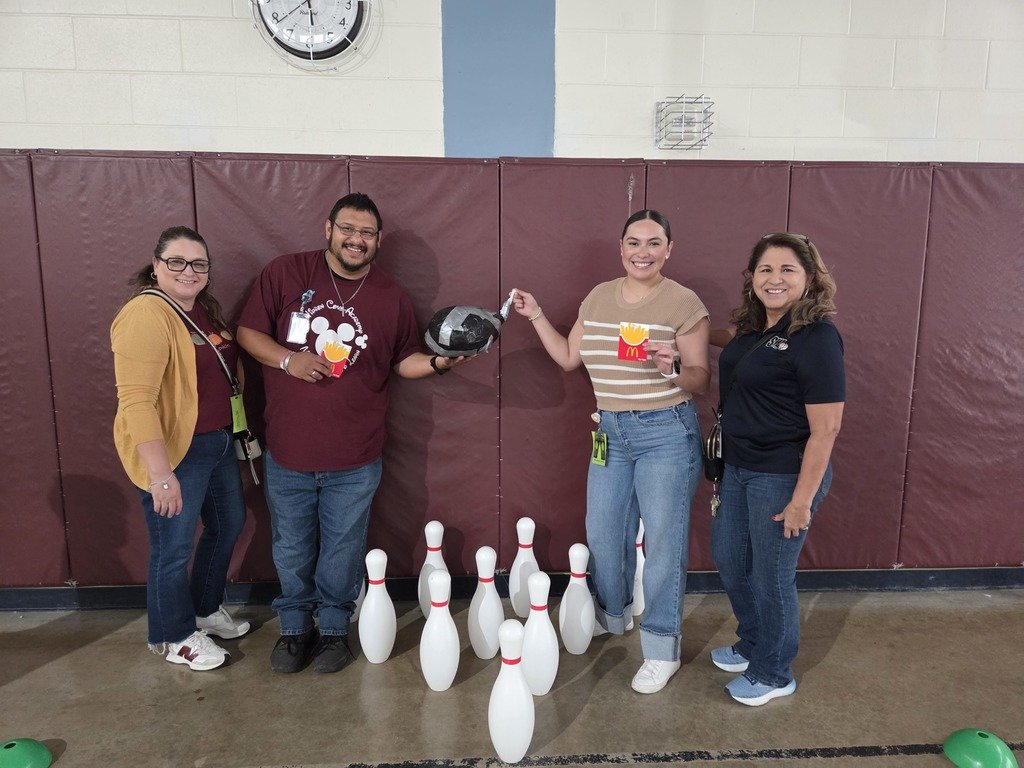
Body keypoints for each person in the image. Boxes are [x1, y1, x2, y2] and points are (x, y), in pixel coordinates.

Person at [236, 192, 470, 674]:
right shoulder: (286, 272)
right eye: (348, 228)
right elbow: (247, 333)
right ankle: (296, 629)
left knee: (343, 550)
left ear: (378, 240)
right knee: (292, 548)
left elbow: (404, 361)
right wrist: (288, 358)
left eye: (366, 233)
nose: (356, 239)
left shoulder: (391, 297)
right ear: (328, 229)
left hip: (356, 457)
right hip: (289, 451)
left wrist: (442, 363)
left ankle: (335, 631)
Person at [513, 209, 710, 694]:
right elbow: (567, 358)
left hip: (666, 430)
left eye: (653, 243)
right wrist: (536, 315)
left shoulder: (684, 303)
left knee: (663, 545)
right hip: (610, 433)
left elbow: (700, 379)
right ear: (620, 249)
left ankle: (662, 646)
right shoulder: (599, 297)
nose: (642, 252)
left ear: (669, 250)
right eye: (633, 242)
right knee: (603, 530)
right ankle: (614, 615)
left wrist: (671, 367)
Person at [708, 232, 845, 706]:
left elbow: (825, 430)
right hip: (738, 468)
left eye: (788, 270)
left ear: (809, 279)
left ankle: (773, 671)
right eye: (766, 269)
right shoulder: (754, 329)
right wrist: (688, 337)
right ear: (752, 278)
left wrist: (801, 501)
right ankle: (753, 642)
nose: (775, 278)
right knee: (729, 558)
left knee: (770, 574)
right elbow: (737, 348)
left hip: (784, 475)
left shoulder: (818, 337)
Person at [111, 226, 251, 672]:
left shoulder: (201, 310)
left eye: (199, 264)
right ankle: (173, 636)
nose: (189, 271)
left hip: (217, 442)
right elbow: (136, 401)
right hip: (174, 453)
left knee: (228, 523)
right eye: (177, 261)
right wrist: (160, 474)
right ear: (156, 266)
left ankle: (204, 611)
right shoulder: (146, 315)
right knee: (171, 548)